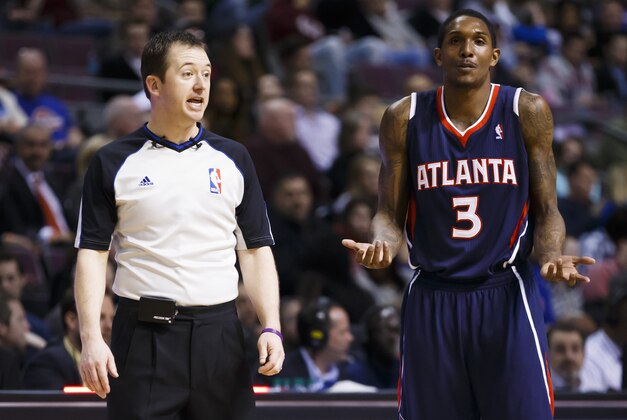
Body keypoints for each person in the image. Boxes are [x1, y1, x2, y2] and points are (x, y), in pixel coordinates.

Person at [342, 9, 595, 420]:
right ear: (439, 55)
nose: (467, 50)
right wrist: (384, 246)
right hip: (432, 296)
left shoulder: (525, 111)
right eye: (456, 41)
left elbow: (548, 210)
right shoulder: (403, 118)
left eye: (478, 40)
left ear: (494, 55)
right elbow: (388, 213)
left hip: (505, 292)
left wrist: (550, 255)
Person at [74, 31, 284, 420]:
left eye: (206, 73)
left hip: (220, 335)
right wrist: (91, 338)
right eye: (188, 73)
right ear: (154, 84)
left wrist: (271, 325)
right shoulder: (112, 161)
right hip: (143, 337)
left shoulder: (234, 158)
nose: (202, 84)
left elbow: (255, 250)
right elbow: (92, 254)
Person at [547, 321, 586, 392]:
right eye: (560, 349)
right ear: (548, 354)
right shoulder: (538, 393)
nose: (569, 356)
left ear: (583, 354)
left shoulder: (597, 386)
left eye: (575, 349)